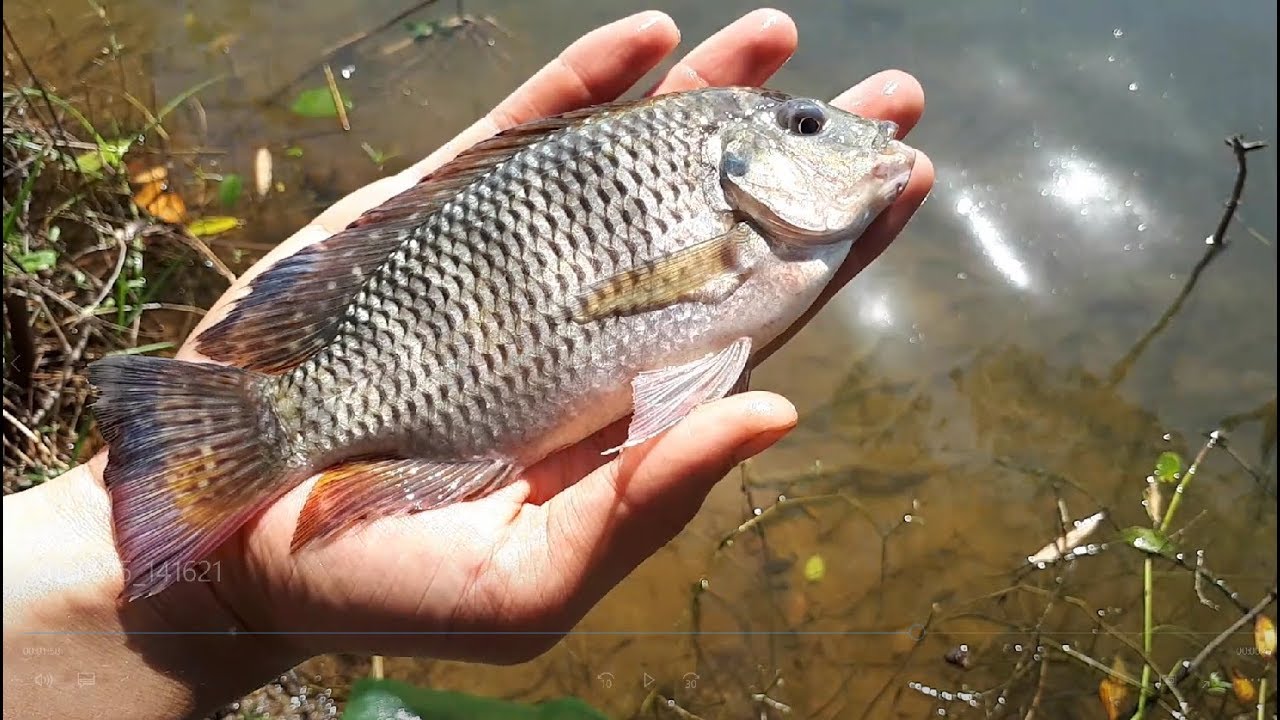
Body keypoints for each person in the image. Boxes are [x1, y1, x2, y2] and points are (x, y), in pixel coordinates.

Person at [3, 9, 933, 719]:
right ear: (741, 163)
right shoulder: (741, 227)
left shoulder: (765, 237)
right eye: (807, 126)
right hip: (415, 387)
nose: (850, 135)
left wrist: (219, 606)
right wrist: (216, 603)